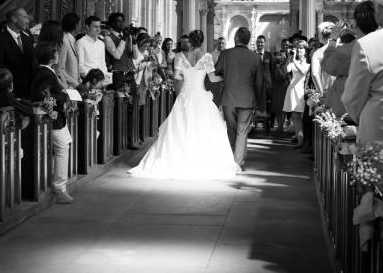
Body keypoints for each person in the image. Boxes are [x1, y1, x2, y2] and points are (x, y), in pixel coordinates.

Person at [129, 29, 237, 179]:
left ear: (190, 42)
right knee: (202, 127)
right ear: (203, 41)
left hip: (185, 94)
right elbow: (212, 79)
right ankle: (199, 159)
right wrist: (224, 78)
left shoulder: (180, 56)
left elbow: (178, 76)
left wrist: (187, 76)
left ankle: (178, 159)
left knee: (181, 126)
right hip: (200, 95)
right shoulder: (206, 57)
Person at [342, 0, 383, 157]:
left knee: (376, 185)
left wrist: (364, 119)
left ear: (381, 10)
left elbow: (352, 97)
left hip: (381, 138)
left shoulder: (370, 43)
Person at [30, 42, 73, 204]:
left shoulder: (45, 71)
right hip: (50, 117)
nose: (57, 55)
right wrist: (64, 95)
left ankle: (56, 182)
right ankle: (59, 187)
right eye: (56, 53)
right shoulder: (46, 73)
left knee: (64, 145)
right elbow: (42, 96)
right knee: (62, 148)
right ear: (52, 57)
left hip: (53, 117)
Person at [215, 27, 263, 169]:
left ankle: (231, 160)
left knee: (231, 129)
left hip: (229, 97)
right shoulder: (255, 57)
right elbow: (259, 82)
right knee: (242, 131)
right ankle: (237, 163)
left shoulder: (225, 54)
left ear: (236, 38)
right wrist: (258, 101)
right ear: (248, 40)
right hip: (247, 99)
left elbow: (217, 71)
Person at [321, 2, 378, 116]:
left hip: (349, 111)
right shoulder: (382, 43)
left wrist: (333, 38)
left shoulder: (353, 48)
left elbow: (328, 64)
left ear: (356, 23)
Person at [0, 7, 35, 99]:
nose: (27, 21)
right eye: (24, 17)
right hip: (11, 95)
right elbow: (0, 70)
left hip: (28, 94)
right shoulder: (0, 40)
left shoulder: (28, 39)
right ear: (14, 19)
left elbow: (31, 66)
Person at [282, 40, 310, 147]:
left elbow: (303, 71)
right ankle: (300, 141)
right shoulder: (293, 61)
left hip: (302, 91)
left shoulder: (308, 62)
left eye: (301, 48)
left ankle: (305, 141)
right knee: (295, 117)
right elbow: (286, 70)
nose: (299, 50)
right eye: (298, 48)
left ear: (306, 50)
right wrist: (289, 58)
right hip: (292, 90)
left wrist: (294, 60)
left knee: (303, 117)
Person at [103, 12, 135, 90]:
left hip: (130, 73)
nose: (121, 24)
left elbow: (134, 56)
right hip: (118, 75)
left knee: (133, 100)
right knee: (119, 100)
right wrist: (124, 38)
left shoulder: (127, 36)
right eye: (118, 21)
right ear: (112, 23)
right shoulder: (108, 38)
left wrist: (134, 40)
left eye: (122, 21)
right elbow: (117, 56)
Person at [76, 15, 109, 83]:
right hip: (88, 80)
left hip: (101, 81)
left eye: (99, 26)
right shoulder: (81, 42)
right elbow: (80, 66)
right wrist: (91, 79)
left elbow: (103, 63)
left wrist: (104, 77)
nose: (98, 29)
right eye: (95, 27)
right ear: (87, 27)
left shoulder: (101, 44)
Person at [270, 39, 291, 133]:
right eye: (279, 56)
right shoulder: (275, 63)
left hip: (284, 87)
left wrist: (278, 68)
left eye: (282, 56)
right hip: (276, 87)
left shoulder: (287, 63)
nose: (280, 57)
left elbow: (284, 77)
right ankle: (279, 126)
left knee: (283, 108)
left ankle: (281, 126)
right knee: (277, 108)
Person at [254, 34, 273, 132]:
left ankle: (268, 124)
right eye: (258, 42)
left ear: (264, 43)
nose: (259, 44)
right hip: (255, 84)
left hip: (267, 84)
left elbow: (272, 70)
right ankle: (253, 125)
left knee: (268, 104)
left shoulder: (269, 55)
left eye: (261, 42)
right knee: (255, 104)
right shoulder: (252, 54)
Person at [311, 22, 335, 96]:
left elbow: (315, 74)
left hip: (326, 90)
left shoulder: (318, 53)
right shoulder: (344, 48)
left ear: (321, 34)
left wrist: (321, 92)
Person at [58, 13, 80, 89]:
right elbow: (60, 68)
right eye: (78, 24)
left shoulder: (71, 39)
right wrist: (75, 83)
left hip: (74, 83)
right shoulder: (64, 40)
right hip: (67, 85)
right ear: (75, 25)